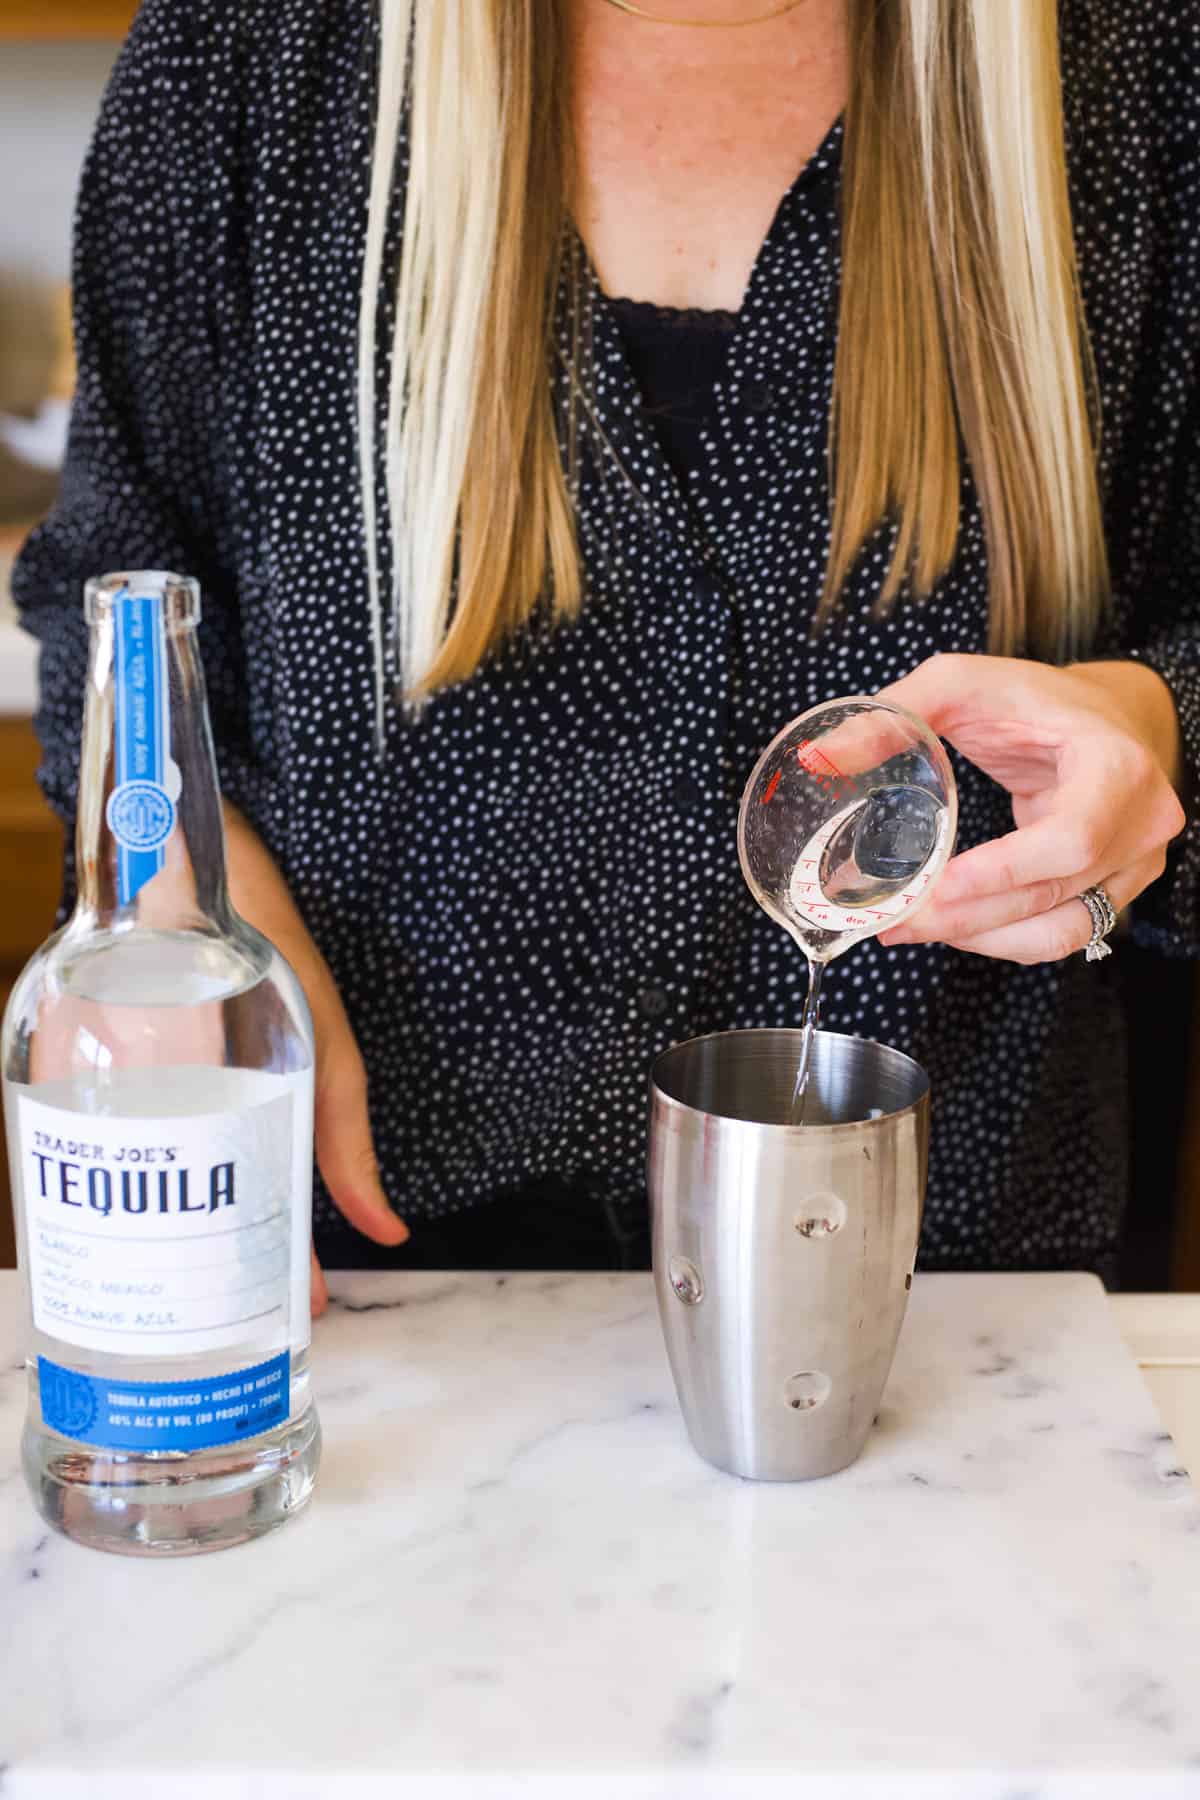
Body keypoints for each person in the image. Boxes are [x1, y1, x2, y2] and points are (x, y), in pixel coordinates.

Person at [14, 0, 1197, 1301]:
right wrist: (176, 912)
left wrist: (1152, 717)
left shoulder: (1139, 66)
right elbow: (114, 601)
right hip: (371, 1279)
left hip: (952, 1285)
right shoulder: (250, 55)